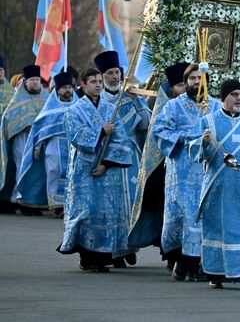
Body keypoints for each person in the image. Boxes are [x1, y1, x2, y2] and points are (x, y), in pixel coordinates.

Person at [57, 67, 132, 273]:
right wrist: (101, 131)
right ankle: (86, 256)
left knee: (106, 213)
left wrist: (106, 163)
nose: (98, 84)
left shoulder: (111, 109)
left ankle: (101, 256)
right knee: (87, 211)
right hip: (84, 169)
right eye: (93, 81)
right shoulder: (74, 110)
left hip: (106, 170)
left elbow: (121, 139)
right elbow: (76, 136)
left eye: (100, 81)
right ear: (83, 85)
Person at [153, 63, 221, 281]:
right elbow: (160, 131)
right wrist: (187, 137)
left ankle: (198, 265)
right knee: (180, 216)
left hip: (208, 170)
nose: (196, 83)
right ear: (186, 82)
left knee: (204, 217)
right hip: (181, 171)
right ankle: (178, 261)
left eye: (200, 78)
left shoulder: (216, 106)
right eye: (192, 79)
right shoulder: (173, 106)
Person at [188, 79, 240, 289]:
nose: (239, 98)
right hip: (216, 184)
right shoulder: (209, 121)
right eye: (234, 94)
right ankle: (215, 273)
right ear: (224, 97)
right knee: (215, 228)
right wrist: (202, 143)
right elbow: (193, 151)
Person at [129, 62, 189, 271]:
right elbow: (156, 138)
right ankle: (171, 253)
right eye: (180, 85)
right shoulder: (166, 106)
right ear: (172, 88)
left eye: (186, 84)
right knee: (167, 212)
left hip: (191, 168)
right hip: (164, 168)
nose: (184, 89)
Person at [15, 72, 77, 216]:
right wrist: (37, 147)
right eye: (64, 88)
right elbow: (40, 129)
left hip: (73, 146)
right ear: (58, 90)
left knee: (71, 175)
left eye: (69, 87)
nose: (67, 90)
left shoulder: (78, 105)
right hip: (53, 147)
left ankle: (68, 204)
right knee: (54, 173)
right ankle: (56, 205)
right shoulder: (50, 107)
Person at [95, 51, 151, 207]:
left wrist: (137, 101)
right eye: (110, 73)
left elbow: (145, 125)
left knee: (133, 197)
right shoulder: (98, 100)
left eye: (117, 72)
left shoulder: (131, 96)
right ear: (102, 76)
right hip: (107, 154)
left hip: (131, 154)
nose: (115, 76)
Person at [0, 65, 48, 215]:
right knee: (23, 167)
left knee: (39, 172)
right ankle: (20, 199)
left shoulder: (46, 96)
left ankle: (34, 202)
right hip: (22, 139)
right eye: (32, 80)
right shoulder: (17, 98)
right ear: (25, 82)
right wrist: (24, 125)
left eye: (37, 79)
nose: (35, 82)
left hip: (40, 140)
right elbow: (8, 119)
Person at [0, 55, 15, 214]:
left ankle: (5, 199)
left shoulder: (11, 92)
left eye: (0, 70)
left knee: (8, 168)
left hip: (5, 139)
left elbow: (16, 114)